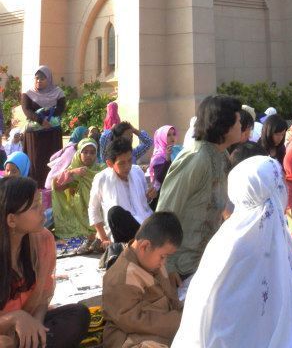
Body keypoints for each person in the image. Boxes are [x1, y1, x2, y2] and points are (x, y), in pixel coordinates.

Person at [172, 155, 292, 348]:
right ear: (268, 192)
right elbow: (218, 314)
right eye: (279, 184)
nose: (285, 188)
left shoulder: (257, 232)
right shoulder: (238, 244)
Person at [156, 95, 242, 278]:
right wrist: (166, 267)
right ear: (224, 126)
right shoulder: (196, 158)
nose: (241, 125)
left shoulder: (221, 155)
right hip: (180, 268)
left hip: (205, 263)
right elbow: (166, 212)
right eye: (238, 121)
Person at [0, 176, 90, 348]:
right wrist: (15, 318)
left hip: (26, 328)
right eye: (35, 206)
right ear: (11, 220)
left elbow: (42, 300)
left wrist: (35, 329)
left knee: (78, 315)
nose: (43, 210)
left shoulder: (42, 240)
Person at [102, 212, 184, 348]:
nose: (164, 262)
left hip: (163, 329)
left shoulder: (153, 262)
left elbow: (169, 297)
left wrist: (186, 312)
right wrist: (179, 320)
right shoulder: (121, 277)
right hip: (129, 338)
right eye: (163, 256)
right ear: (144, 246)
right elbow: (133, 321)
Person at [89, 136, 154, 247]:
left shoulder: (137, 171)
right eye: (121, 163)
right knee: (114, 213)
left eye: (129, 161)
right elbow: (93, 209)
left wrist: (150, 195)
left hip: (144, 224)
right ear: (110, 164)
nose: (127, 166)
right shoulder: (102, 178)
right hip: (122, 230)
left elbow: (144, 202)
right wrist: (104, 238)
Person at [52, 138, 104, 249]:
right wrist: (72, 173)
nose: (88, 155)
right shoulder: (74, 170)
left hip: (99, 210)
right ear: (79, 153)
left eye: (92, 152)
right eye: (85, 152)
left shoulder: (101, 169)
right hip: (79, 212)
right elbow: (57, 186)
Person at [20, 66, 66, 188]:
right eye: (36, 78)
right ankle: (34, 190)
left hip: (52, 135)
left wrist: (48, 118)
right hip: (35, 136)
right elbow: (27, 110)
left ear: (49, 79)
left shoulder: (58, 92)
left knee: (52, 162)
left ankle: (51, 190)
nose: (38, 81)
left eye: (42, 78)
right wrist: (41, 120)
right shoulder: (28, 93)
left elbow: (61, 108)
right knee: (35, 162)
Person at [45, 126, 89, 191]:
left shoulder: (79, 148)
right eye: (85, 134)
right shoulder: (71, 150)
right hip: (57, 186)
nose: (87, 137)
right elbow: (62, 167)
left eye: (87, 135)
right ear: (79, 135)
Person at [148, 126, 177, 194]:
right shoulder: (158, 157)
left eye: (174, 134)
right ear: (161, 137)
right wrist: (167, 159)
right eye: (168, 135)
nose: (172, 137)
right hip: (162, 194)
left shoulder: (176, 151)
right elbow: (160, 178)